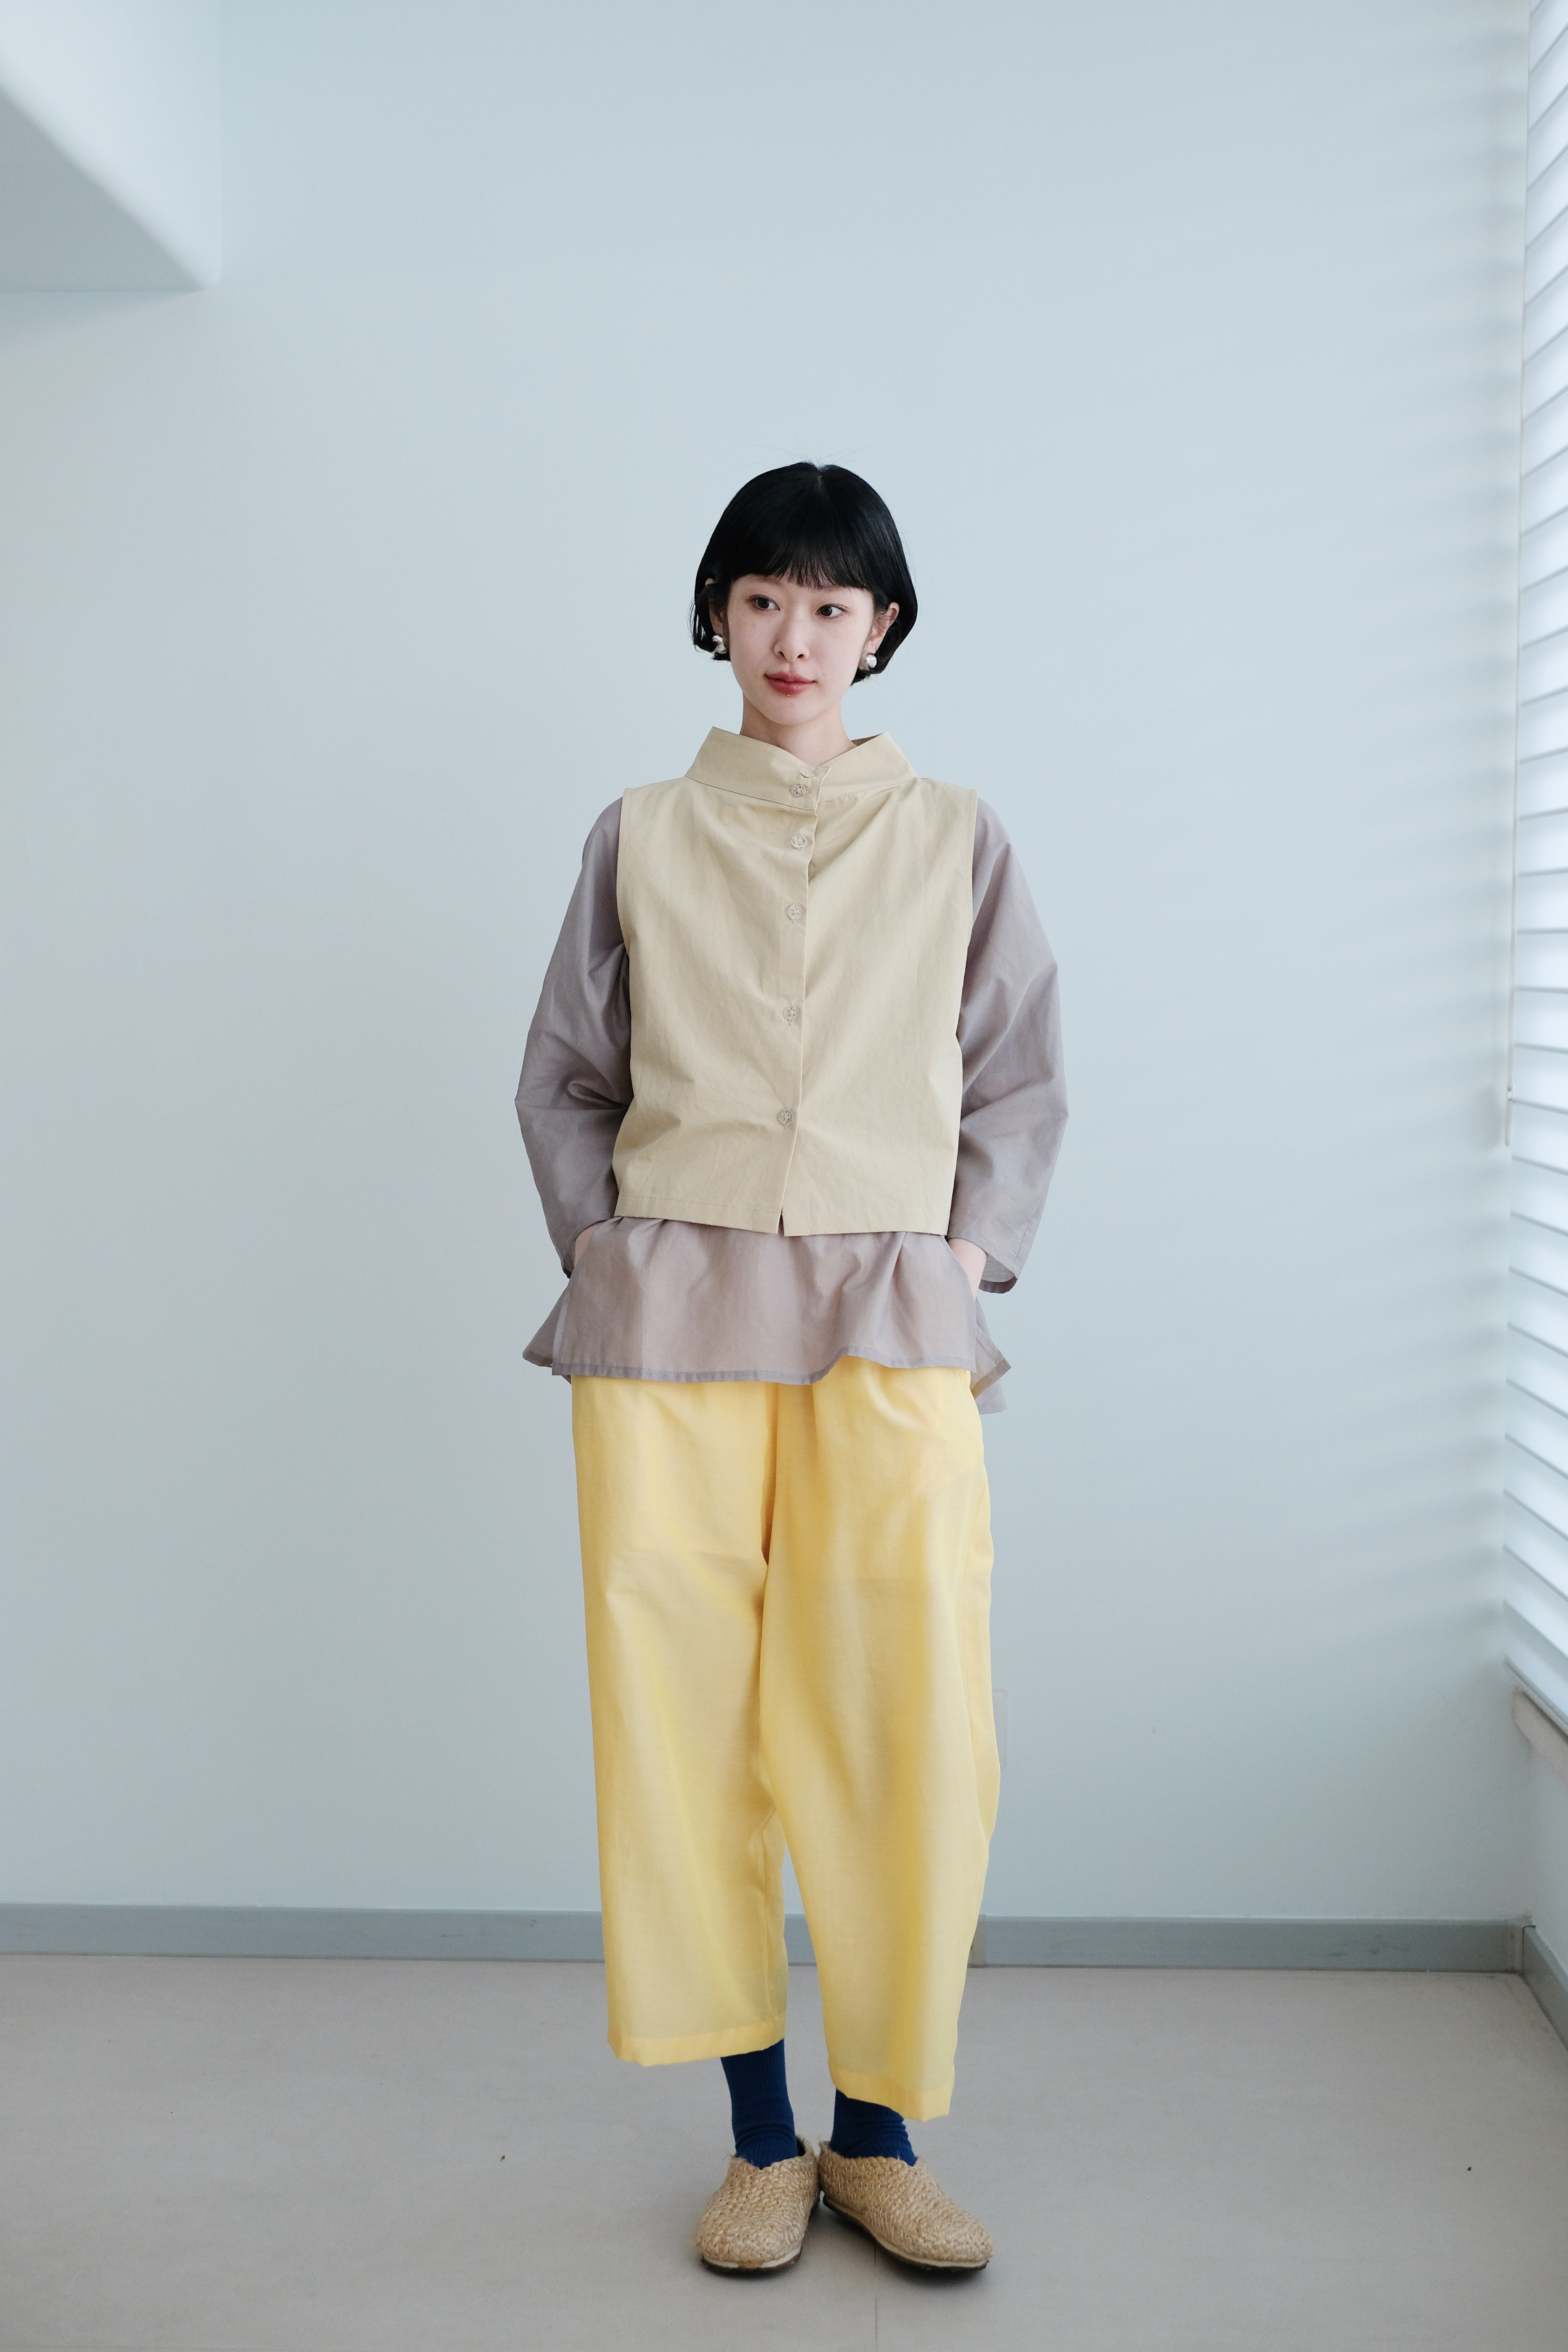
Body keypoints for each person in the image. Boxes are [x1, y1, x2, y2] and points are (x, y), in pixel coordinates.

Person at [516, 461, 1066, 2276]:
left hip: (887, 1324)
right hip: (670, 1334)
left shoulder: (956, 834)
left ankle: (880, 2138)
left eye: (832, 605)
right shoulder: (641, 832)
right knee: (685, 1723)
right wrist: (607, 1250)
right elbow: (566, 1074)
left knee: (908, 1715)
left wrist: (964, 1256)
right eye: (763, 599)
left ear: (881, 629)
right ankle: (761, 2143)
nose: (795, 636)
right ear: (718, 616)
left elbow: (1018, 1076)